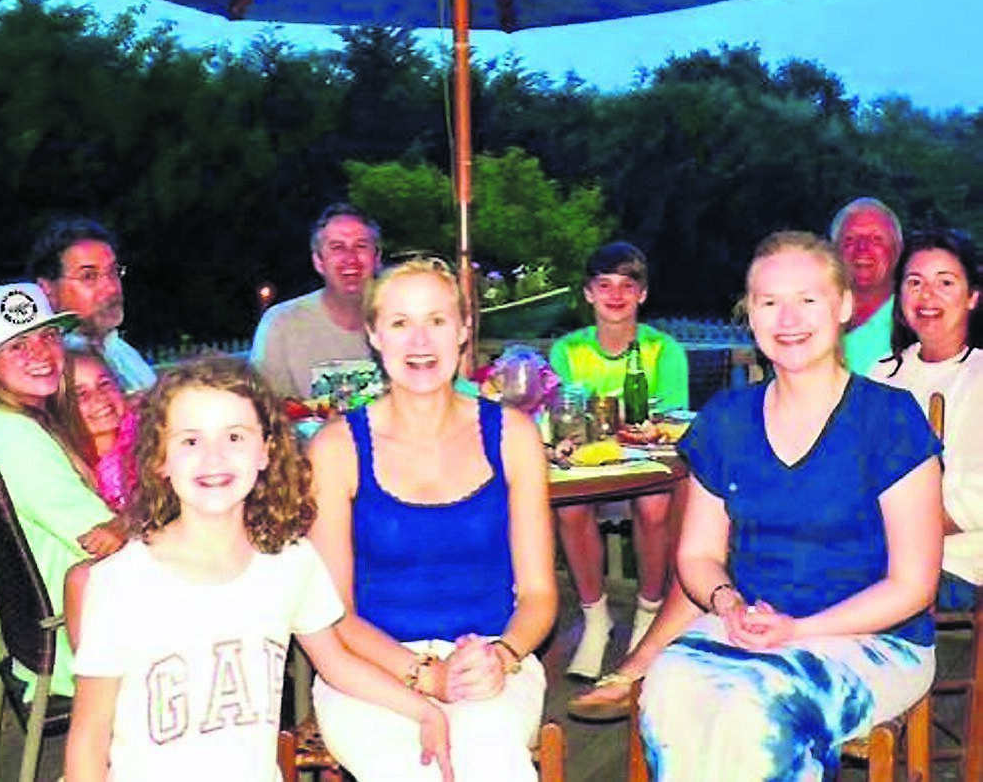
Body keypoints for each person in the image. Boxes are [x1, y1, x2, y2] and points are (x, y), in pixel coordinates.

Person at [639, 231, 942, 781]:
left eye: (808, 299)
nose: (788, 318)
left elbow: (913, 585)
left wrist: (799, 632)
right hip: (751, 625)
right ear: (750, 317)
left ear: (844, 306)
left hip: (875, 639)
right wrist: (727, 604)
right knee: (670, 688)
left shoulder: (890, 419)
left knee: (758, 713)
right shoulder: (726, 419)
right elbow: (699, 555)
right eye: (768, 302)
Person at [64, 356, 451, 782]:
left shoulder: (290, 561)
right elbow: (89, 737)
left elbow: (336, 662)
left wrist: (423, 710)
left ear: (266, 451)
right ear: (160, 458)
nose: (214, 457)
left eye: (235, 436)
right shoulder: (120, 583)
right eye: (190, 441)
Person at [308, 257, 557, 781]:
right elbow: (334, 613)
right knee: (412, 770)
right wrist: (426, 676)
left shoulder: (513, 436)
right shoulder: (337, 449)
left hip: (488, 659)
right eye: (400, 323)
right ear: (374, 334)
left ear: (465, 330)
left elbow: (538, 596)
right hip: (370, 669)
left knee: (491, 764)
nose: (420, 341)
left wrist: (503, 655)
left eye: (437, 321)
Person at [0, 283, 123, 700]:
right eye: (17, 346)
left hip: (44, 630)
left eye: (49, 336)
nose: (42, 353)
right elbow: (103, 541)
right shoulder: (17, 440)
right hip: (80, 637)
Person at [548, 242, 688, 679]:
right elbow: (564, 418)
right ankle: (595, 620)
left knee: (655, 504)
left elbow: (669, 424)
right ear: (588, 293)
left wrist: (608, 418)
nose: (615, 295)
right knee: (569, 507)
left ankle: (649, 616)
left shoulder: (665, 350)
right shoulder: (567, 350)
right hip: (591, 468)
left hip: (643, 469)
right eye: (604, 285)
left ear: (642, 294)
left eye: (627, 286)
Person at [871, 228, 983, 604]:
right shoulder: (881, 375)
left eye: (945, 282)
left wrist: (898, 528)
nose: (927, 295)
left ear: (972, 297)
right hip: (877, 550)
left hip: (955, 565)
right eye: (915, 282)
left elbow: (976, 498)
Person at [250, 203, 382, 401]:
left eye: (361, 246)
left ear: (377, 258)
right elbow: (263, 408)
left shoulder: (403, 320)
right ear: (319, 261)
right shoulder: (281, 324)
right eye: (337, 248)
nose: (350, 258)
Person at [30, 216, 156, 394]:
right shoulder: (48, 371)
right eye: (89, 276)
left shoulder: (119, 349)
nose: (112, 288)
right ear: (48, 289)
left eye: (113, 272)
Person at [830, 197, 903, 374]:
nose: (862, 248)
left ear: (898, 250)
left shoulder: (912, 325)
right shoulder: (813, 320)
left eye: (876, 239)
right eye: (850, 240)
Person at [59, 348, 138, 511]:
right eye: (80, 394)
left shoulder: (151, 440)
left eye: (104, 383)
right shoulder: (64, 465)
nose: (99, 396)